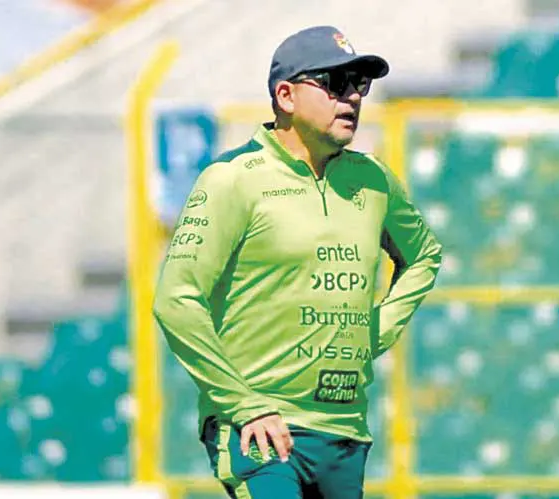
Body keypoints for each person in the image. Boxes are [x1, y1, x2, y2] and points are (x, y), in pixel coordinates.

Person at [153, 25, 442, 499]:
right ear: (285, 96)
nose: (352, 96)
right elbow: (176, 300)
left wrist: (376, 330)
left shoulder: (374, 180)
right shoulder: (232, 180)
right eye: (335, 82)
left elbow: (424, 255)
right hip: (258, 429)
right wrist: (244, 404)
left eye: (360, 84)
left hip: (344, 432)